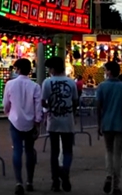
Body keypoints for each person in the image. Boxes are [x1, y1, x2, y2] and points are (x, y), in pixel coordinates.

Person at [97, 61, 122, 195]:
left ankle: (108, 175)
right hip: (121, 123)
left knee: (108, 151)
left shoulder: (102, 86)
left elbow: (99, 107)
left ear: (109, 72)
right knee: (118, 154)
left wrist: (99, 124)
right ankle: (116, 185)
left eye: (106, 70)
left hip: (107, 123)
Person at [3, 58, 42, 195]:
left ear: (17, 69)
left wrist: (8, 113)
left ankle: (18, 181)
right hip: (30, 122)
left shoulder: (10, 84)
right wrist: (37, 123)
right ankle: (29, 181)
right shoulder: (35, 86)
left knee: (17, 151)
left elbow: (5, 105)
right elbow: (38, 107)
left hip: (14, 121)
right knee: (30, 151)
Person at [42, 56, 78, 192]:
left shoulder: (47, 82)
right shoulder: (71, 82)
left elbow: (43, 101)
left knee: (54, 152)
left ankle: (55, 181)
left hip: (53, 121)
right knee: (68, 151)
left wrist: (48, 108)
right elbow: (75, 101)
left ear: (52, 68)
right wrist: (72, 113)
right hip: (68, 121)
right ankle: (65, 172)